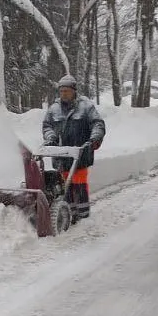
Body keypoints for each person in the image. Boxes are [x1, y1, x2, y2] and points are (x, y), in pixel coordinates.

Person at [41, 74, 106, 220]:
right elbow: (47, 126)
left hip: (80, 153)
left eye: (67, 91)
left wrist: (95, 138)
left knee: (79, 183)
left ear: (74, 91)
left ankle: (83, 215)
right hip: (61, 155)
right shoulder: (54, 109)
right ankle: (69, 214)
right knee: (64, 185)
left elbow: (97, 124)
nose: (64, 93)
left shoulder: (86, 107)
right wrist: (50, 137)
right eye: (61, 91)